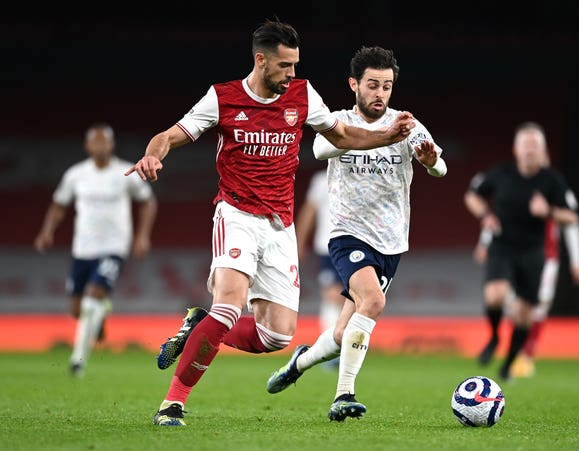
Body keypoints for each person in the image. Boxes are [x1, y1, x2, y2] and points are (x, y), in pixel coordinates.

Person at [124, 19, 415, 427]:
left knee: (276, 337)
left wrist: (387, 138)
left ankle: (196, 329)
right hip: (237, 213)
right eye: (284, 66)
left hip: (280, 225)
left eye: (295, 65)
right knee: (227, 307)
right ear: (260, 61)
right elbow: (169, 135)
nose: (292, 74)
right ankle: (172, 404)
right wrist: (155, 154)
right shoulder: (222, 98)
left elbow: (343, 135)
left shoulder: (302, 95)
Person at [265, 45, 447, 422]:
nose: (380, 94)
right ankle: (343, 395)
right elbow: (318, 149)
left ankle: (299, 363)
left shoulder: (407, 124)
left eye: (387, 86)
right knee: (374, 303)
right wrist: (380, 136)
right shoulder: (337, 122)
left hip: (392, 241)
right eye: (372, 85)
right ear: (354, 85)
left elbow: (439, 167)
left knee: (341, 333)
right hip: (347, 233)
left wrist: (431, 163)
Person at [34, 122, 158, 377]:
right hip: (82, 249)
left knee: (92, 297)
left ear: (112, 145)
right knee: (78, 310)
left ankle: (77, 361)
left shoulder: (125, 172)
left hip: (114, 247)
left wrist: (142, 237)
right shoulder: (76, 175)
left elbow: (147, 202)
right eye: (96, 142)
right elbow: (59, 205)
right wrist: (47, 231)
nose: (101, 146)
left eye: (106, 142)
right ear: (87, 146)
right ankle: (101, 314)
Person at [463, 121, 579, 381]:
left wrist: (549, 212)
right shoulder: (502, 173)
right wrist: (486, 215)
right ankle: (494, 337)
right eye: (525, 145)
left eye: (535, 146)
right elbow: (472, 195)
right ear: (516, 149)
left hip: (531, 252)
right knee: (495, 296)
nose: (530, 150)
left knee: (523, 314)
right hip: (502, 246)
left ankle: (510, 361)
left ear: (542, 150)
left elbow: (572, 217)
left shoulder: (552, 181)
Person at [295, 167, 344, 369]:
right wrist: (299, 243)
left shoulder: (362, 172)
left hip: (358, 244)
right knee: (333, 295)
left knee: (354, 297)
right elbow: (310, 211)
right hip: (328, 246)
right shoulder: (322, 179)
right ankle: (332, 351)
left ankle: (344, 345)